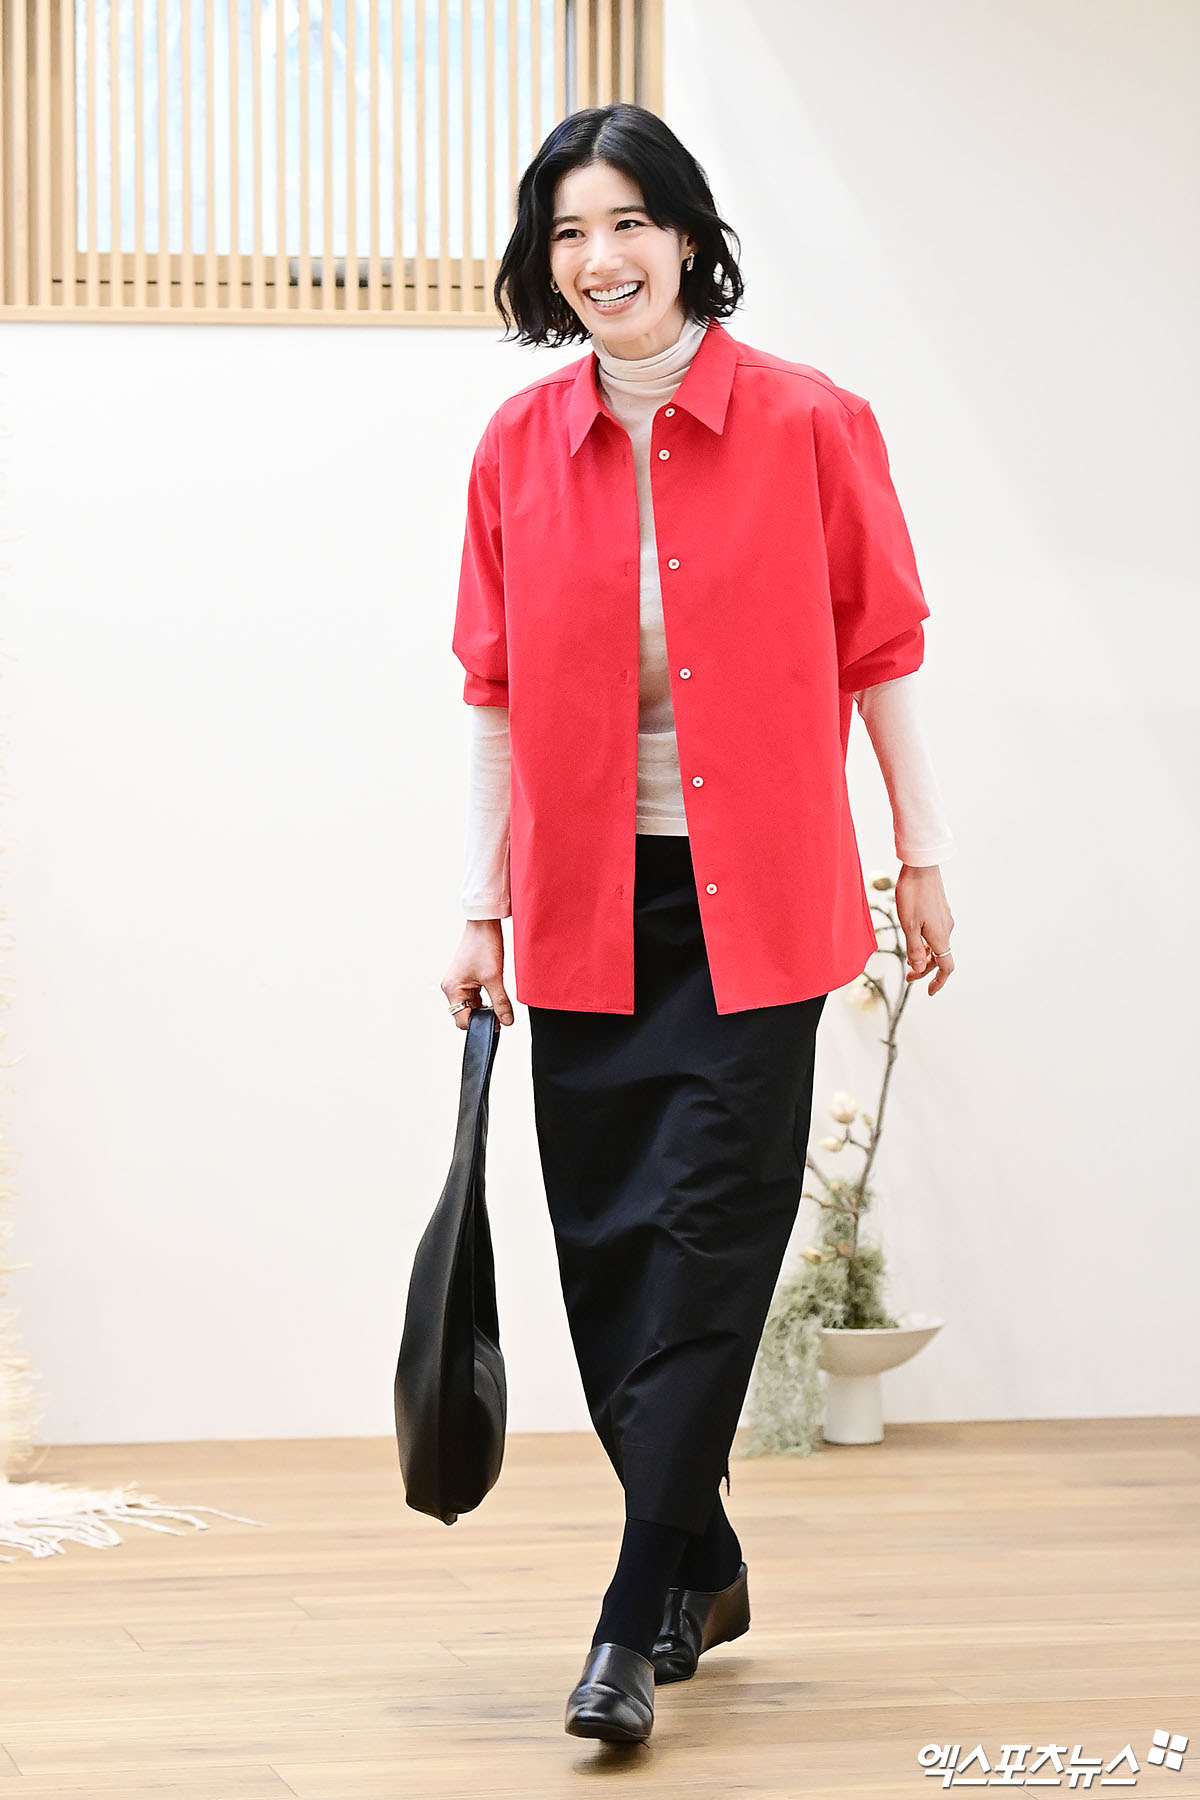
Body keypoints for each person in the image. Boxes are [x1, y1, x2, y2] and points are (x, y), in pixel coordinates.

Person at [440, 103, 957, 1747]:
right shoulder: (517, 447)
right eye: (569, 233)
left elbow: (880, 651)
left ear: (685, 236)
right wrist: (476, 907)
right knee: (608, 1259)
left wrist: (922, 855)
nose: (600, 259)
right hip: (586, 908)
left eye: (627, 224)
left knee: (710, 1251)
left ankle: (627, 1618)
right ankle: (703, 1562)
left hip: (761, 908)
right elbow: (492, 696)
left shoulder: (810, 421)